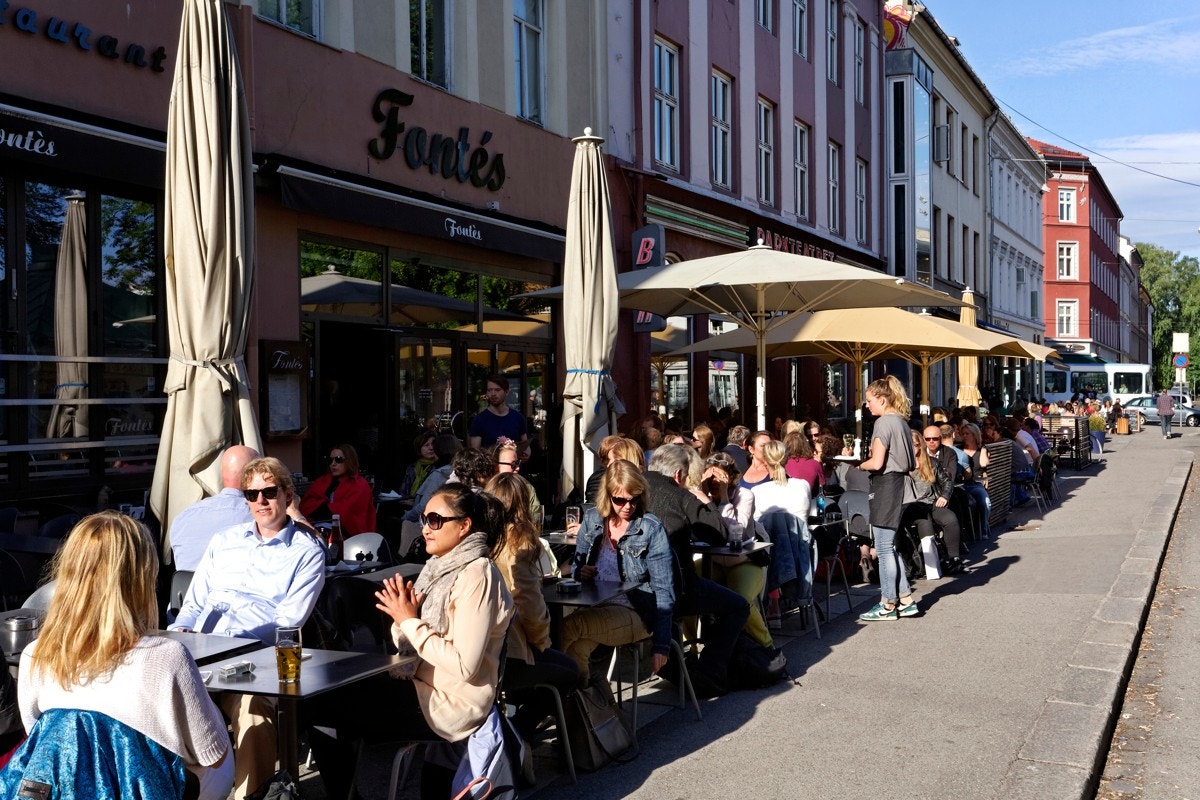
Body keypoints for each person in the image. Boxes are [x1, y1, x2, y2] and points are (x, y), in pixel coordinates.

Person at [308, 483, 515, 799]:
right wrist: (401, 618)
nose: (426, 528)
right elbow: (410, 640)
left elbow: (465, 665)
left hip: (452, 703)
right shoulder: (438, 569)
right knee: (323, 698)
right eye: (425, 519)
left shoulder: (477, 573)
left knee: (322, 706)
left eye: (435, 520)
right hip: (421, 685)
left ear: (464, 526)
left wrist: (409, 620)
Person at [16, 512, 233, 800]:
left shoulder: (35, 655)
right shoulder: (167, 658)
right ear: (142, 578)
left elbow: (42, 739)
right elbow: (213, 755)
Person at [170, 457, 326, 797]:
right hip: (203, 651)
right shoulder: (224, 540)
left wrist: (234, 642)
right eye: (251, 494)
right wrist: (183, 630)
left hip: (253, 658)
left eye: (269, 492)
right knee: (153, 695)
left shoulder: (306, 551)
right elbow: (194, 603)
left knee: (254, 710)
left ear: (287, 495)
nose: (260, 502)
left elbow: (288, 620)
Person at [645, 445, 750, 696]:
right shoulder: (681, 496)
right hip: (677, 589)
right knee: (738, 606)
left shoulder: (634, 489)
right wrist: (705, 501)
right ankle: (709, 673)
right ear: (679, 475)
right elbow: (719, 536)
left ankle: (680, 666)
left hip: (634, 590)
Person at [562, 460, 675, 689]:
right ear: (607, 496)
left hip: (636, 610)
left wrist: (661, 646)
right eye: (620, 499)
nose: (627, 506)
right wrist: (579, 571)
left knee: (568, 627)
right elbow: (576, 566)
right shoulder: (593, 519)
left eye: (634, 499)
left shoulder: (651, 528)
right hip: (596, 605)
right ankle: (581, 710)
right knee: (575, 651)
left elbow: (664, 591)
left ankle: (541, 697)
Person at [484, 473, 578, 737]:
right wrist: (541, 641)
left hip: (483, 651)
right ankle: (516, 735)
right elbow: (529, 602)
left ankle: (514, 730)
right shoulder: (519, 540)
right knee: (570, 673)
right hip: (509, 650)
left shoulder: (480, 537)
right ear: (523, 505)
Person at [855, 376, 920, 621]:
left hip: (887, 485)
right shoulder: (902, 422)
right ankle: (905, 598)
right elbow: (912, 461)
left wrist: (858, 465)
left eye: (870, 401)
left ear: (882, 400)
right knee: (889, 547)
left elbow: (877, 462)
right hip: (902, 485)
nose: (867, 405)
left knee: (882, 548)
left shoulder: (883, 423)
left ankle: (887, 603)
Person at [703, 451, 775, 649]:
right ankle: (691, 650)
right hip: (714, 561)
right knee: (686, 588)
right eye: (711, 477)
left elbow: (737, 530)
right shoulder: (702, 496)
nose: (715, 482)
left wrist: (724, 498)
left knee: (741, 599)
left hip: (744, 561)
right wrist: (702, 494)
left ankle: (767, 647)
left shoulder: (745, 495)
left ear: (730, 476)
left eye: (720, 477)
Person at [170, 444, 259, 571]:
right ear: (254, 476)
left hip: (188, 590)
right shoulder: (260, 517)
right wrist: (293, 511)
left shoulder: (182, 518)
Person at [905, 429, 964, 574]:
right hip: (910, 506)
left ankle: (954, 558)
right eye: (909, 445)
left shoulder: (932, 463)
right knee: (925, 524)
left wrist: (944, 496)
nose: (913, 448)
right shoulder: (901, 465)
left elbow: (947, 482)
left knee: (950, 519)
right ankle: (924, 564)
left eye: (915, 444)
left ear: (921, 445)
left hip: (931, 503)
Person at [300, 443, 377, 535]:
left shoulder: (359, 484)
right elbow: (306, 507)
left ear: (349, 461)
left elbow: (348, 513)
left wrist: (324, 508)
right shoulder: (322, 481)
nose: (333, 464)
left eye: (338, 459)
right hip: (316, 531)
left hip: (348, 537)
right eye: (330, 460)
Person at [403, 433, 462, 523]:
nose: (431, 449)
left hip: (427, 523)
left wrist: (405, 517)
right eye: (426, 445)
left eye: (434, 447)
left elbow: (423, 506)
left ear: (440, 451)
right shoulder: (460, 470)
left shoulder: (439, 473)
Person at [469, 373, 528, 449]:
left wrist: (525, 455)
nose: (493, 394)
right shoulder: (479, 420)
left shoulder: (518, 417)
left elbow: (526, 446)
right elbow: (475, 452)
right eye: (489, 390)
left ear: (506, 392)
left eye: (497, 390)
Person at [958, 423, 992, 540]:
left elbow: (983, 464)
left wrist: (982, 449)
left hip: (976, 484)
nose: (965, 436)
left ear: (975, 435)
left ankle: (983, 531)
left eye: (968, 434)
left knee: (985, 502)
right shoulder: (958, 449)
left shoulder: (981, 449)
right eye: (963, 434)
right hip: (961, 485)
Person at [397, 431, 438, 500]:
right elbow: (404, 490)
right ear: (419, 449)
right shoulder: (413, 467)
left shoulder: (439, 467)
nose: (431, 448)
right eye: (426, 445)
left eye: (433, 444)